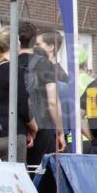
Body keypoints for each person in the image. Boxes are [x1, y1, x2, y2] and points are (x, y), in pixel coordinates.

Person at [18, 22, 65, 165]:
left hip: (18, 127)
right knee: (42, 175)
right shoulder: (44, 64)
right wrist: (60, 131)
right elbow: (53, 102)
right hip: (43, 125)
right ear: (34, 42)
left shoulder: (8, 63)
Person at [0, 29, 37, 162]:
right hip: (12, 135)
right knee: (15, 178)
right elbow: (21, 104)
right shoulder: (13, 69)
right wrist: (34, 128)